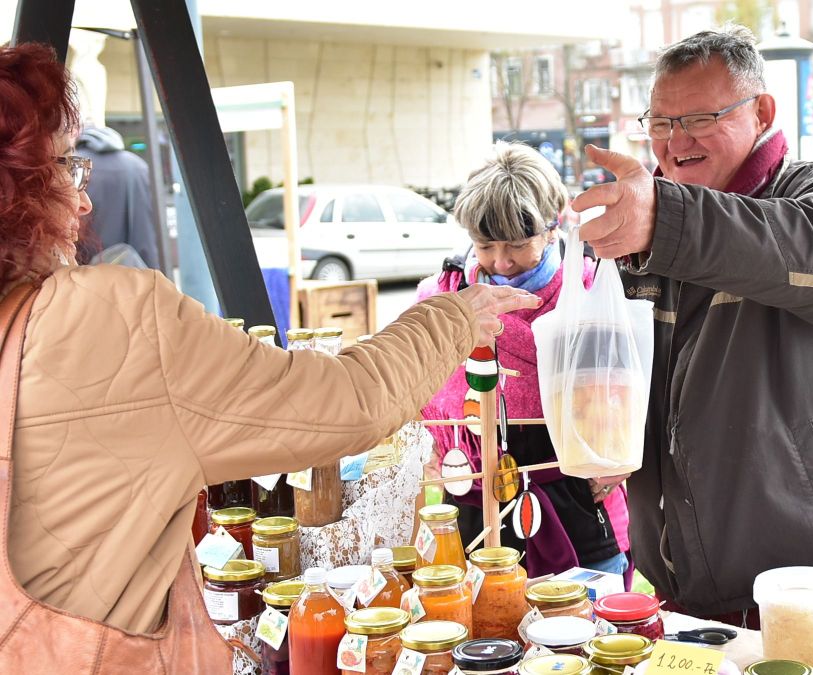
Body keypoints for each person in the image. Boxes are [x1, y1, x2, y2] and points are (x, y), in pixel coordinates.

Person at [0, 43, 537, 668]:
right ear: (24, 188)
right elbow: (342, 404)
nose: (84, 200)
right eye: (66, 167)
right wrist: (455, 316)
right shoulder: (99, 318)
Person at [572, 26, 813, 626]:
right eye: (660, 124)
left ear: (761, 112)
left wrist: (667, 223)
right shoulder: (654, 223)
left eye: (701, 118)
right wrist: (608, 434)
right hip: (678, 572)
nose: (676, 142)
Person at [418, 142, 632, 584]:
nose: (501, 262)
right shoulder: (442, 299)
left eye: (517, 244)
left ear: (554, 228)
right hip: (471, 510)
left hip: (577, 506)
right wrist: (430, 451)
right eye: (484, 245)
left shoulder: (591, 295)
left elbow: (631, 397)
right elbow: (414, 392)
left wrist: (622, 454)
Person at [74, 125, 162, 269]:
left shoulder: (78, 166)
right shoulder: (137, 165)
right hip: (137, 267)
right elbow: (147, 225)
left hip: (92, 270)